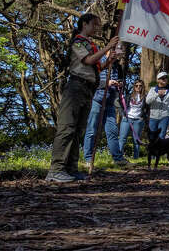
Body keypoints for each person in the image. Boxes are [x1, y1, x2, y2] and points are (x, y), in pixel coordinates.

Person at [46, 13, 120, 183]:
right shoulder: (78, 42)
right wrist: (108, 47)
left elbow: (97, 67)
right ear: (84, 24)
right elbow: (87, 60)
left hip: (88, 89)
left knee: (78, 130)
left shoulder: (91, 44)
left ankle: (71, 169)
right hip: (75, 88)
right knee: (67, 128)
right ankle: (56, 169)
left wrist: (109, 62)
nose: (96, 28)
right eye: (94, 24)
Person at [81, 58, 128, 167]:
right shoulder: (98, 62)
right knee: (92, 130)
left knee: (112, 131)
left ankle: (118, 159)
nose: (120, 54)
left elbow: (121, 81)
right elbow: (91, 81)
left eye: (121, 53)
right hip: (97, 101)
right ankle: (88, 159)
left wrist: (120, 84)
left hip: (110, 103)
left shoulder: (117, 66)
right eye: (118, 51)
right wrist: (106, 83)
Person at [145, 72, 169, 141]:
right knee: (151, 136)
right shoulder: (153, 89)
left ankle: (160, 151)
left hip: (165, 117)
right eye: (163, 78)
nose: (165, 79)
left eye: (166, 78)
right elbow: (147, 101)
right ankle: (152, 151)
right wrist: (157, 94)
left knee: (161, 136)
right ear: (158, 80)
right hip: (153, 117)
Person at [120, 82, 146, 159]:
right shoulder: (129, 96)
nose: (138, 87)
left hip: (138, 120)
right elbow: (120, 104)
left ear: (142, 87)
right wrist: (123, 114)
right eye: (136, 85)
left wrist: (143, 117)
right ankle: (118, 158)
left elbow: (147, 109)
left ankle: (136, 158)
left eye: (140, 86)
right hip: (127, 119)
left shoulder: (145, 97)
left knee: (136, 140)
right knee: (122, 138)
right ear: (134, 87)